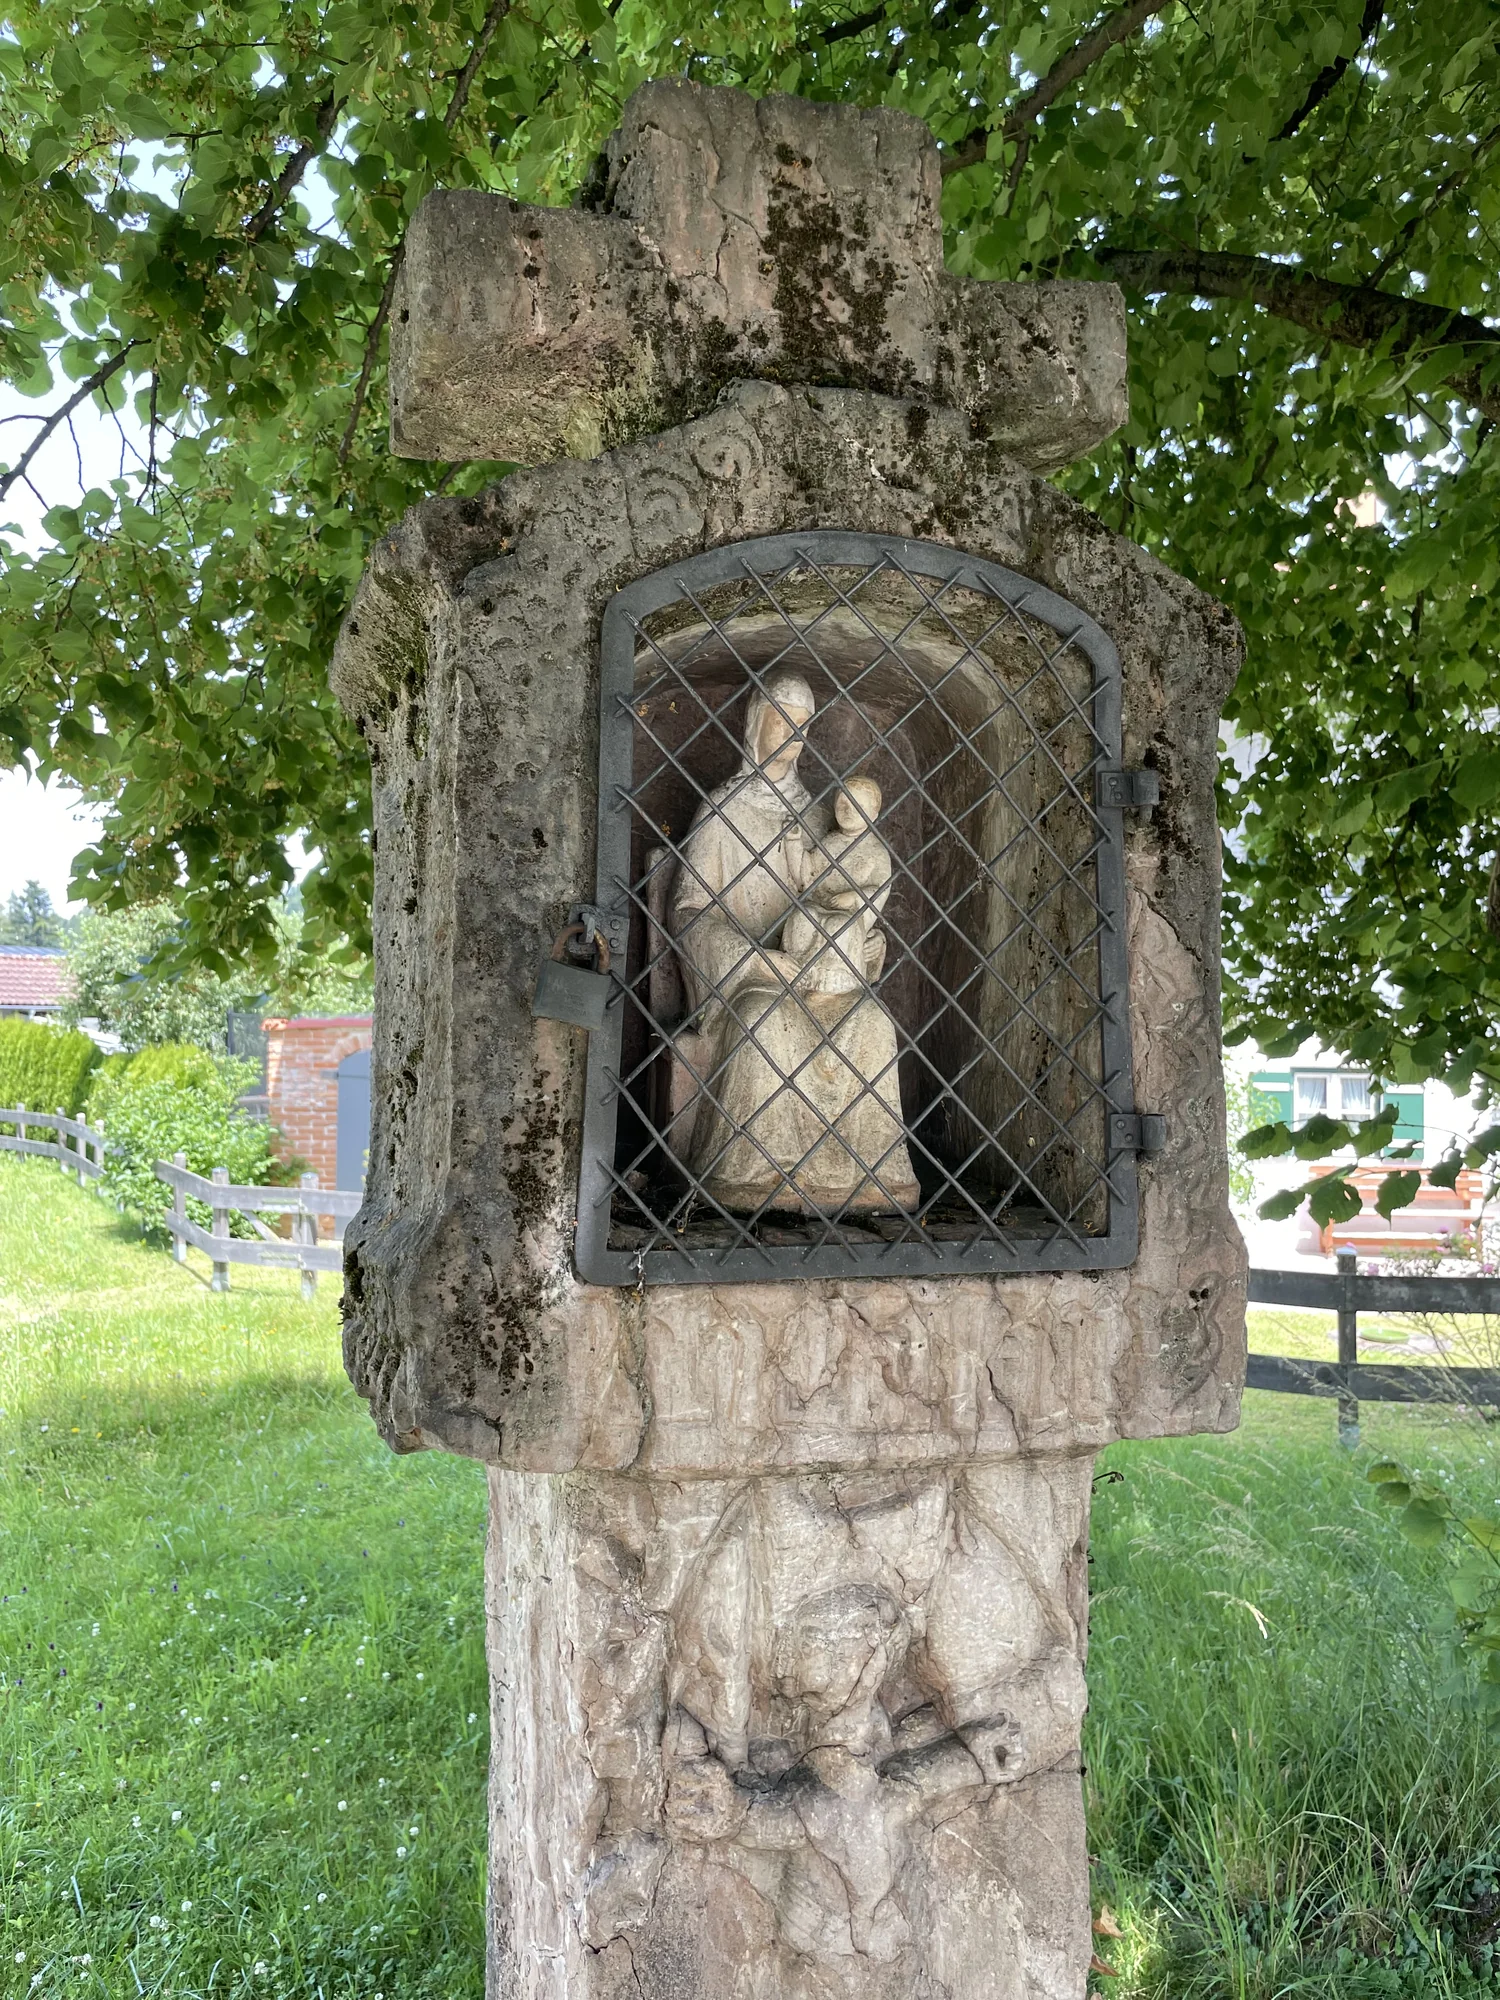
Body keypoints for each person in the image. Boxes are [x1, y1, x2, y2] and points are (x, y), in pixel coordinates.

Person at [668, 672, 919, 1214]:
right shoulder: (722, 812)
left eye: (803, 726)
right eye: (782, 719)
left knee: (872, 1022)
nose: (791, 736)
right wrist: (759, 960)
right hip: (753, 981)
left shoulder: (820, 818)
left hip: (819, 975)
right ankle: (753, 1173)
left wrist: (863, 947)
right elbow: (691, 913)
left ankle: (870, 1175)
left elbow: (844, 895)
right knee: (763, 1020)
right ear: (756, 724)